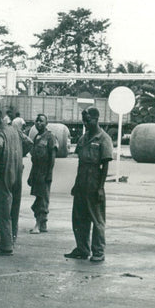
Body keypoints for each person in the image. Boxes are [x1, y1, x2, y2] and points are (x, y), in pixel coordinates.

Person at [65, 108, 113, 263]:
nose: (86, 123)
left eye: (89, 120)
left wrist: (100, 187)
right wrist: (75, 184)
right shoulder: (83, 138)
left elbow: (105, 166)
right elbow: (80, 162)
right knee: (79, 218)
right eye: (84, 120)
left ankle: (98, 251)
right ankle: (82, 249)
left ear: (96, 119)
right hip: (81, 182)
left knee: (96, 218)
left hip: (94, 181)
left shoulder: (103, 139)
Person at [0, 107, 32, 255]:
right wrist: (18, 155)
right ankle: (12, 240)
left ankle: (5, 246)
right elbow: (29, 142)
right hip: (17, 173)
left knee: (1, 210)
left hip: (4, 174)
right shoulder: (15, 130)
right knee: (14, 209)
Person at [27, 114, 57, 234]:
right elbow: (34, 159)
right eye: (37, 121)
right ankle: (43, 224)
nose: (38, 123)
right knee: (39, 197)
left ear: (46, 123)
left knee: (42, 199)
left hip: (45, 172)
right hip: (36, 172)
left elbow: (53, 156)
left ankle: (38, 225)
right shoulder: (37, 137)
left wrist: (49, 173)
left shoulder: (50, 137)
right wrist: (31, 175)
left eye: (41, 121)